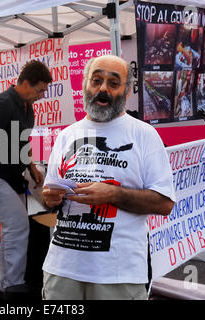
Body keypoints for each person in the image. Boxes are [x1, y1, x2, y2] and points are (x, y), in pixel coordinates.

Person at [41, 55, 176, 300]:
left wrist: (113, 194)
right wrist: (51, 198)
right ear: (85, 85)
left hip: (117, 274)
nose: (103, 88)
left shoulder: (144, 135)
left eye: (113, 83)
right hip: (62, 270)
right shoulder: (65, 136)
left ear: (126, 91)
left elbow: (164, 203)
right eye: (96, 80)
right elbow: (50, 199)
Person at [0, 60, 52, 299]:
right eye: (39, 90)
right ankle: (11, 287)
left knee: (15, 226)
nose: (41, 95)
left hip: (10, 175)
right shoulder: (2, 104)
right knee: (17, 225)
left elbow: (21, 141)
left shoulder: (28, 107)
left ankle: (10, 284)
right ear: (25, 83)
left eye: (44, 91)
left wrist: (31, 167)